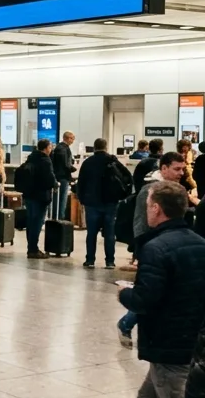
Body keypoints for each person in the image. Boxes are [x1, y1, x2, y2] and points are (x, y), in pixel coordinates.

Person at [84, 181, 205, 398]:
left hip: (169, 348)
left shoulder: (156, 248)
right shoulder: (198, 243)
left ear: (156, 209)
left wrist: (124, 291)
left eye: (148, 204)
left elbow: (145, 299)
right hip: (190, 341)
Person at [117, 152, 188, 347]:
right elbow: (140, 222)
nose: (181, 173)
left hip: (172, 245)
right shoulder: (149, 190)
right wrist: (141, 250)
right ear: (163, 168)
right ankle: (126, 323)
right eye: (176, 169)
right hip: (153, 248)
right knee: (152, 292)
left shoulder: (177, 188)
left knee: (162, 291)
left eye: (182, 169)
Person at [76, 138, 132, 269]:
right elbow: (127, 177)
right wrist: (122, 196)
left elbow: (81, 183)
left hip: (92, 202)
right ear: (106, 147)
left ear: (94, 148)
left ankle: (90, 260)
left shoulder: (87, 163)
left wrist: (82, 199)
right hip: (111, 202)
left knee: (91, 233)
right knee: (109, 233)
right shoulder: (113, 161)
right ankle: (110, 261)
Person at [15, 138, 56, 259]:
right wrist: (55, 184)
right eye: (50, 147)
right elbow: (49, 178)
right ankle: (33, 249)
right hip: (40, 196)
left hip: (29, 195)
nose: (51, 149)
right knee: (37, 222)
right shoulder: (45, 160)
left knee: (31, 221)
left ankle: (31, 247)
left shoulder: (31, 157)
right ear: (46, 148)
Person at [52, 131, 77, 219]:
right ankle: (60, 217)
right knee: (62, 199)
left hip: (58, 176)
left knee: (58, 198)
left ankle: (56, 216)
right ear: (67, 138)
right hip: (63, 177)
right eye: (72, 139)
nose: (73, 141)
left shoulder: (58, 148)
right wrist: (74, 169)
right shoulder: (63, 148)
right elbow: (65, 163)